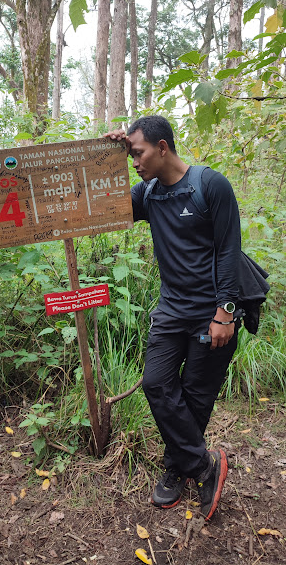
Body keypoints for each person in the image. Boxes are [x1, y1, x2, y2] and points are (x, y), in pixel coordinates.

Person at [105, 115, 241, 521]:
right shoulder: (147, 194)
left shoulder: (209, 185)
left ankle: (175, 468)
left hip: (211, 313)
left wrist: (225, 313)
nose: (135, 162)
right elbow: (104, 207)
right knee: (157, 384)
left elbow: (229, 250)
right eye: (130, 155)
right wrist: (107, 157)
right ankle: (203, 466)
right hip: (170, 310)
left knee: (196, 397)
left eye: (137, 153)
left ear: (162, 147)